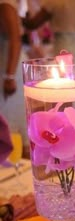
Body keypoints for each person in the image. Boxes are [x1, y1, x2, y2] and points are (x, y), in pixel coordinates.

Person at [0, 0, 28, 155]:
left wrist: (9, 76)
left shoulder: (4, 5)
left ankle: (15, 166)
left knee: (10, 121)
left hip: (8, 67)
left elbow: (15, 40)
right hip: (6, 66)